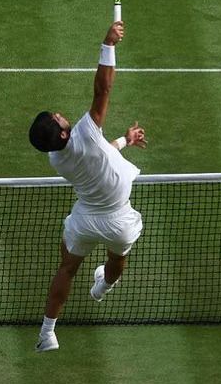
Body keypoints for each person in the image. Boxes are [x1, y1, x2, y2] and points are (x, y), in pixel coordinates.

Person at [28, 18, 147, 352]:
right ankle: (102, 289)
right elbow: (102, 89)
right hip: (118, 219)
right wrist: (108, 44)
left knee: (67, 269)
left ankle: (47, 332)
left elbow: (100, 156)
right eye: (57, 119)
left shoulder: (58, 158)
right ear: (64, 132)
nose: (61, 115)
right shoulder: (83, 131)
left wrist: (124, 139)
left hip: (84, 220)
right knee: (118, 262)